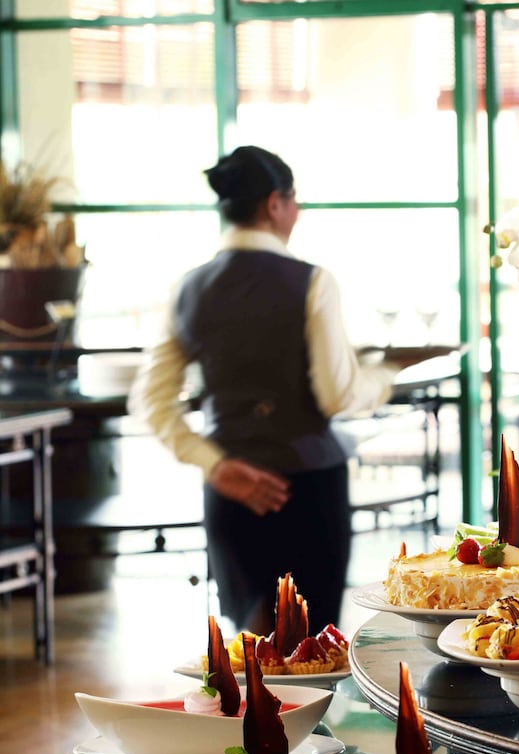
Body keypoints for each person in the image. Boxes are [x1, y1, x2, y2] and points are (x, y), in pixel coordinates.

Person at [129, 145, 440, 636]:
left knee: (250, 650)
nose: (297, 211)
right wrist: (384, 373)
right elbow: (338, 396)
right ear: (274, 204)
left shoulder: (189, 287)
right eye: (294, 200)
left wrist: (215, 466)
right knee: (311, 651)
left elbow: (149, 401)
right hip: (308, 490)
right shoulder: (313, 281)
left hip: (231, 492)